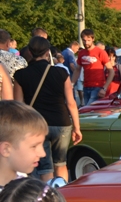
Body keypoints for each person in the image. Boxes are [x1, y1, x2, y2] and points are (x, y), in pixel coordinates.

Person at [14, 37, 82, 182]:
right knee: (61, 164)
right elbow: (71, 103)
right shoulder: (61, 73)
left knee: (45, 167)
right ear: (47, 53)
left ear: (30, 53)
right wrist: (77, 127)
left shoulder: (20, 75)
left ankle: (48, 199)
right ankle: (62, 193)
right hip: (61, 123)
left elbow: (18, 106)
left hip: (36, 124)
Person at [77, 28, 114, 105]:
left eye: (88, 40)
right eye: (84, 40)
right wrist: (72, 84)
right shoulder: (81, 53)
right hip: (86, 86)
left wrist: (104, 88)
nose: (86, 42)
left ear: (93, 39)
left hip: (97, 87)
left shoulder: (100, 52)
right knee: (88, 113)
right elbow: (77, 70)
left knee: (88, 109)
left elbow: (111, 71)